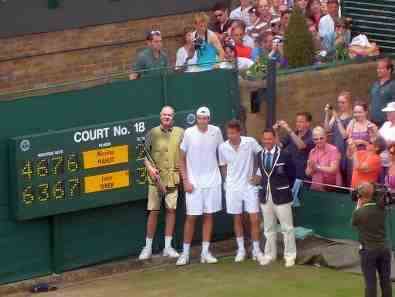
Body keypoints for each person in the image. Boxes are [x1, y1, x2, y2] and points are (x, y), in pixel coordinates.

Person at [176, 107, 224, 266]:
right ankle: (185, 254)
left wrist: (226, 177)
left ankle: (205, 252)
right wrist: (185, 180)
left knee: (209, 216)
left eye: (205, 118)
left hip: (212, 182)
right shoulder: (189, 133)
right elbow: (180, 159)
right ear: (196, 119)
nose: (202, 121)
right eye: (200, 118)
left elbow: (222, 154)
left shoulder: (216, 131)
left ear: (209, 119)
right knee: (191, 218)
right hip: (194, 183)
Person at [138, 106, 184, 260]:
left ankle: (168, 247)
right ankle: (148, 248)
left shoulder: (181, 133)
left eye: (169, 115)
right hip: (155, 182)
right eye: (164, 115)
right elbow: (142, 155)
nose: (167, 117)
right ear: (160, 116)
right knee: (154, 212)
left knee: (171, 211)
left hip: (173, 180)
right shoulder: (152, 133)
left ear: (173, 117)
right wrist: (150, 168)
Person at [218, 120, 265, 263]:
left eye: (233, 133)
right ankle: (241, 250)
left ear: (239, 132)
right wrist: (227, 181)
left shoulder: (250, 142)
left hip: (249, 186)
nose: (230, 136)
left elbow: (263, 155)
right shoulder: (222, 147)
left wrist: (258, 174)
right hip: (233, 187)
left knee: (255, 219)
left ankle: (256, 250)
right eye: (228, 133)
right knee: (237, 218)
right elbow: (223, 166)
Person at [253, 128, 296, 267]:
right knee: (268, 228)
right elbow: (262, 175)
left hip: (282, 196)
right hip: (266, 196)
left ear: (275, 138)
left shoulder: (285, 154)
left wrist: (282, 187)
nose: (267, 141)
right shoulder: (259, 155)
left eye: (270, 139)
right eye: (264, 139)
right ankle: (270, 255)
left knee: (287, 228)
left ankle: (290, 256)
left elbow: (292, 175)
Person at [351, 182, 392, 297]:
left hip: (368, 252)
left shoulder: (359, 213)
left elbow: (354, 223)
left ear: (360, 196)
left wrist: (358, 205)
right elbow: (381, 202)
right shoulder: (381, 209)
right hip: (384, 249)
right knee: (385, 281)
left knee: (370, 283)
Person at [275, 112, 314, 180]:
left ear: (308, 123)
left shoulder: (312, 135)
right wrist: (276, 132)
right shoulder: (294, 133)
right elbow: (279, 146)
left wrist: (288, 129)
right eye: (297, 121)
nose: (298, 124)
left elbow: (301, 146)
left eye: (301, 122)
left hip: (302, 174)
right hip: (289, 172)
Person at [324, 91, 353, 183]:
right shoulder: (337, 115)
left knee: (347, 176)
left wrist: (336, 118)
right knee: (337, 177)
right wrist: (327, 114)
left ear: (349, 103)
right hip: (336, 148)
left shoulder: (352, 117)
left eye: (343, 102)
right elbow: (327, 129)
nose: (340, 105)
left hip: (346, 149)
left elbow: (346, 135)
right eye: (339, 102)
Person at [306, 126, 341, 190]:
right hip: (316, 186)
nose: (319, 141)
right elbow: (307, 173)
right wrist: (311, 168)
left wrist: (317, 167)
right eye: (316, 139)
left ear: (326, 137)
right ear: (313, 140)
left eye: (321, 138)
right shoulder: (312, 152)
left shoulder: (333, 149)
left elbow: (333, 169)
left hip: (331, 187)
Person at [370, 58, 395, 126]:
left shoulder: (393, 85)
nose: (378, 70)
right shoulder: (375, 84)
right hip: (373, 122)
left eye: (381, 68)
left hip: (386, 124)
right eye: (378, 68)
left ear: (389, 70)